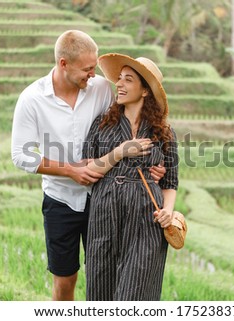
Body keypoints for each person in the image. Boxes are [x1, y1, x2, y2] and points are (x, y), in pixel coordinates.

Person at [11, 30, 164, 301]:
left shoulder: (103, 90)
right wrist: (71, 169)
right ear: (63, 64)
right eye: (87, 69)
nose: (93, 74)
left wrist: (155, 166)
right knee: (65, 278)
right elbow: (21, 155)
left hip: (103, 201)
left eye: (94, 67)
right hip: (61, 201)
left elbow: (131, 126)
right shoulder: (32, 99)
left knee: (107, 274)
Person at [82, 53, 179, 300]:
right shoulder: (102, 124)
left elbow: (170, 182)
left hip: (146, 217)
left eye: (128, 80)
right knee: (100, 288)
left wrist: (168, 210)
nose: (120, 84)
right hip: (105, 213)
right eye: (119, 79)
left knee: (136, 294)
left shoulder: (164, 132)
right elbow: (88, 169)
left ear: (145, 91)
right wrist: (121, 152)